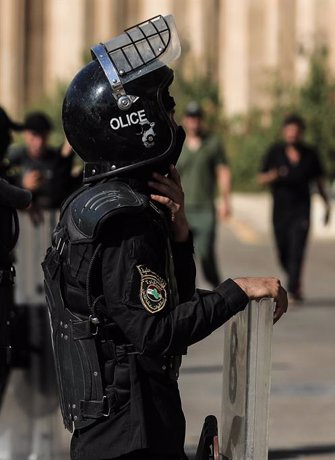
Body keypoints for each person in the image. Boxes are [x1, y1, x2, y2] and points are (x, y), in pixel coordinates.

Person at [42, 15, 288, 459]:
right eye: (165, 105)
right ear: (136, 122)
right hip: (131, 438)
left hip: (122, 431)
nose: (172, 116)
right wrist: (237, 291)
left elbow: (158, 303)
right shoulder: (123, 223)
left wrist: (178, 236)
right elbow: (157, 332)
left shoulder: (97, 203)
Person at [258, 114, 330, 302]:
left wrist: (327, 205)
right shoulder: (275, 152)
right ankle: (294, 279)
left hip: (301, 210)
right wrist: (274, 175)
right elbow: (261, 179)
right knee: (283, 250)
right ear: (284, 132)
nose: (292, 135)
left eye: (296, 131)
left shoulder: (310, 154)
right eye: (289, 131)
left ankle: (293, 287)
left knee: (297, 249)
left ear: (301, 133)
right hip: (280, 211)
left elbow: (320, 182)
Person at [176, 101, 232, 287]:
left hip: (205, 209)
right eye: (191, 118)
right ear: (185, 120)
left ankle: (217, 286)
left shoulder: (212, 143)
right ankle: (189, 293)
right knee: (182, 254)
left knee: (206, 252)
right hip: (182, 209)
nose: (194, 122)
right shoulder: (178, 144)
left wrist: (226, 201)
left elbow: (223, 171)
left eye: (197, 118)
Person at [6, 111, 79, 212]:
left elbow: (64, 191)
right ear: (25, 134)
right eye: (34, 135)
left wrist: (65, 158)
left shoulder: (57, 159)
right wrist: (22, 185)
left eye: (43, 136)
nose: (39, 142)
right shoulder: (13, 159)